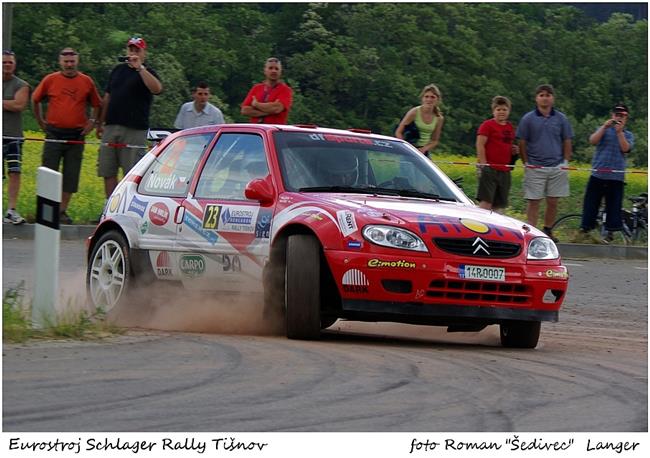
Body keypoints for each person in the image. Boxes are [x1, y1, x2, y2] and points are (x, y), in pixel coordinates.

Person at [32, 48, 102, 224]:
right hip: (54, 132)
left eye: (72, 61)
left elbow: (97, 104)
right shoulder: (50, 80)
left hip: (76, 135)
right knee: (49, 171)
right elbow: (35, 99)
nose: (69, 65)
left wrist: (92, 122)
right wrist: (40, 121)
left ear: (77, 61)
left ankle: (62, 211)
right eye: (66, 61)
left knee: (71, 175)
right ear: (60, 62)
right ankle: (45, 211)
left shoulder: (86, 81)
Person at [96, 36, 162, 200]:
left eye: (137, 50)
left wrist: (140, 68)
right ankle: (110, 206)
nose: (133, 53)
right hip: (111, 126)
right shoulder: (118, 70)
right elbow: (107, 97)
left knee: (131, 172)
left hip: (134, 129)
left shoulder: (147, 72)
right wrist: (100, 122)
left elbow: (157, 89)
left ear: (143, 53)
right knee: (108, 170)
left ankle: (127, 207)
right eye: (131, 49)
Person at [516, 84, 574, 242]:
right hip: (535, 166)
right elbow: (522, 142)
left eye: (548, 95)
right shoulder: (528, 119)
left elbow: (567, 140)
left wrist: (565, 161)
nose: (545, 98)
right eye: (541, 95)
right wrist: (526, 162)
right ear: (536, 98)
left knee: (553, 201)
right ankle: (531, 233)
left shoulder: (561, 118)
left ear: (552, 98)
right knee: (534, 201)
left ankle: (548, 230)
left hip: (557, 166)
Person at [577, 103, 634, 243]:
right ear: (612, 115)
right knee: (591, 204)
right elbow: (592, 140)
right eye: (616, 115)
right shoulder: (604, 130)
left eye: (622, 116)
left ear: (626, 118)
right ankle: (586, 230)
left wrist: (619, 132)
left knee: (613, 207)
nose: (618, 118)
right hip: (598, 174)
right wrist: (604, 127)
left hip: (616, 177)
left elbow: (626, 148)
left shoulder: (628, 135)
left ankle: (610, 233)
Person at [475, 96, 517, 212]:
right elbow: (480, 144)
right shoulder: (487, 125)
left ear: (508, 111)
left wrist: (514, 151)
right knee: (486, 201)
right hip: (490, 167)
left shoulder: (510, 127)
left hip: (504, 169)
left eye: (504, 109)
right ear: (493, 111)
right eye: (498, 110)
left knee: (499, 204)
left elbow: (508, 144)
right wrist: (484, 165)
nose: (501, 112)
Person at [2, 50, 29, 224]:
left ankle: (11, 210)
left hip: (13, 136)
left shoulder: (21, 85)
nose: (7, 65)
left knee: (14, 172)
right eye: (4, 62)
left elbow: (19, 104)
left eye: (10, 62)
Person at [395, 84, 444, 157]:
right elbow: (398, 132)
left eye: (432, 97)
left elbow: (434, 140)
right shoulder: (414, 112)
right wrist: (406, 148)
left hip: (423, 152)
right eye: (426, 96)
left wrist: (424, 149)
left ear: (437, 99)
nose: (429, 99)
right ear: (422, 98)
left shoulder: (438, 118)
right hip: (409, 149)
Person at [241, 57, 293, 124]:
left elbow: (277, 108)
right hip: (257, 131)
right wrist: (269, 111)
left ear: (280, 71)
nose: (274, 71)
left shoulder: (285, 90)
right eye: (270, 68)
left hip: (274, 130)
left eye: (276, 69)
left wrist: (256, 105)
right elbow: (245, 110)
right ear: (265, 70)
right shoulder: (256, 88)